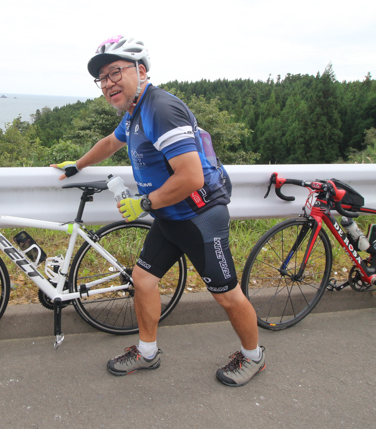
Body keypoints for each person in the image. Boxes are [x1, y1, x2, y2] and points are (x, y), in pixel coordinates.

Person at [51, 35, 265, 387]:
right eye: (102, 77)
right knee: (144, 279)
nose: (108, 83)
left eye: (115, 72)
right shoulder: (136, 112)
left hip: (200, 219)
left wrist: (144, 203)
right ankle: (147, 353)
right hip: (170, 217)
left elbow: (192, 177)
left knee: (227, 295)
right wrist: (77, 164)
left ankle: (254, 356)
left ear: (142, 70)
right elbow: (110, 142)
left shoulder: (160, 109)